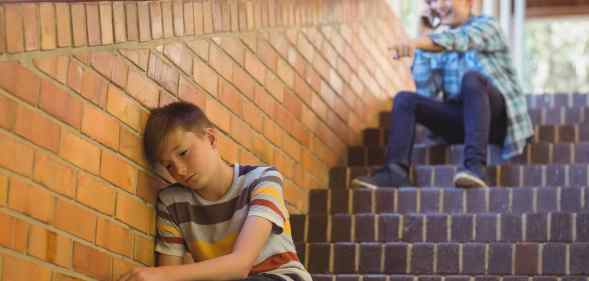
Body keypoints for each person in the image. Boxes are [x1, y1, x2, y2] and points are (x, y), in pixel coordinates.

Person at [118, 102, 311, 281]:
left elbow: (241, 264)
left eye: (183, 153)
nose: (180, 171)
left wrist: (158, 275)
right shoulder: (171, 202)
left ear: (210, 139)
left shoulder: (262, 180)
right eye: (168, 166)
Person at [352, 0, 533, 189]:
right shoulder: (435, 43)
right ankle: (394, 173)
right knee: (405, 100)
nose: (438, 6)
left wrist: (422, 42)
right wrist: (423, 38)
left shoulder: (488, 26)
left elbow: (460, 39)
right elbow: (426, 91)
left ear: (469, 2)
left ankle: (475, 167)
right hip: (461, 121)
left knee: (472, 80)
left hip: (496, 119)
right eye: (432, 1)